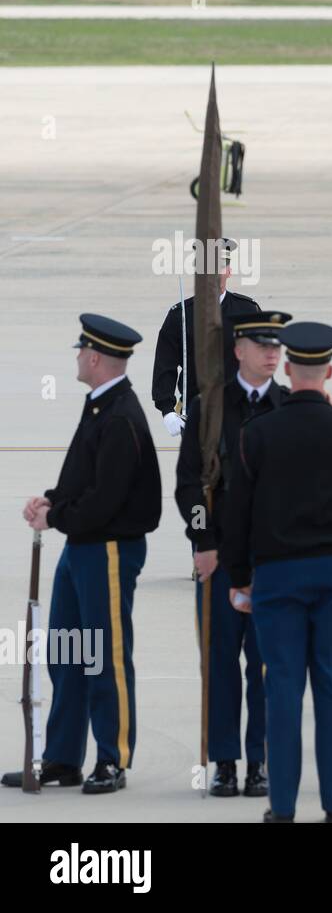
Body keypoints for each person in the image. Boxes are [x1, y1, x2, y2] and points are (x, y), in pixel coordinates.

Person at [224, 322, 332, 823]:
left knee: (283, 688)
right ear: (330, 373)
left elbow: (238, 512)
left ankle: (283, 806)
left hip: (278, 579)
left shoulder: (257, 433)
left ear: (289, 370)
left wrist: (238, 577)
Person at [3, 315, 161, 794]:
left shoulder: (120, 416)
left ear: (95, 358)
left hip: (108, 551)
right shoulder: (101, 407)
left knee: (105, 658)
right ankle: (63, 758)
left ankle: (112, 759)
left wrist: (57, 518)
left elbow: (105, 500)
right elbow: (83, 479)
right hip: (83, 549)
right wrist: (53, 500)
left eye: (80, 352)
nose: (76, 358)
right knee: (68, 655)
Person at [174, 310, 292, 797]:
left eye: (276, 347)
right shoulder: (210, 408)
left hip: (270, 561)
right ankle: (225, 760)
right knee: (219, 662)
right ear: (239, 350)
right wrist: (202, 542)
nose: (271, 354)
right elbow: (188, 485)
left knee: (265, 665)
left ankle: (259, 760)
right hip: (221, 559)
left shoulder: (287, 407)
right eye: (261, 345)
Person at [152, 237, 258, 436]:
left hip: (240, 410)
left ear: (228, 271)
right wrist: (167, 410)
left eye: (220, 266)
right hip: (196, 410)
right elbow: (164, 365)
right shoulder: (180, 315)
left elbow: (260, 361)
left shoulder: (247, 311)